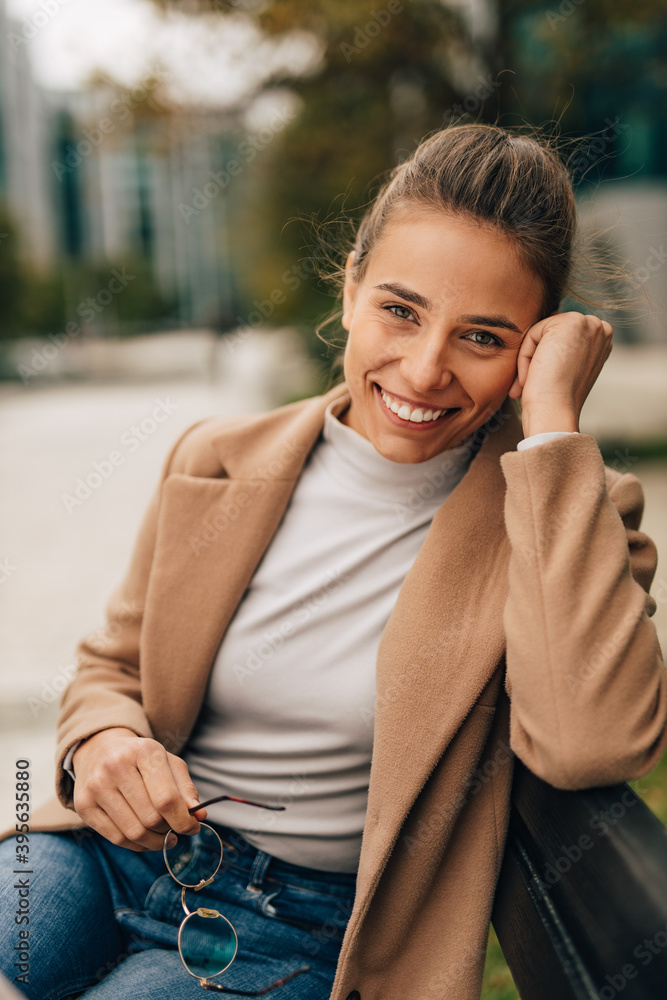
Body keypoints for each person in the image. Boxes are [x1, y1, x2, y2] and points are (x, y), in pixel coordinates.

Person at [1, 123, 666, 1000]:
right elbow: (110, 663)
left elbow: (591, 743)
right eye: (399, 310)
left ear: (531, 350)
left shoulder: (568, 511)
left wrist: (549, 427)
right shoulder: (216, 456)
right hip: (103, 855)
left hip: (297, 927)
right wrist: (103, 739)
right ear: (349, 289)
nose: (424, 371)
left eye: (482, 337)